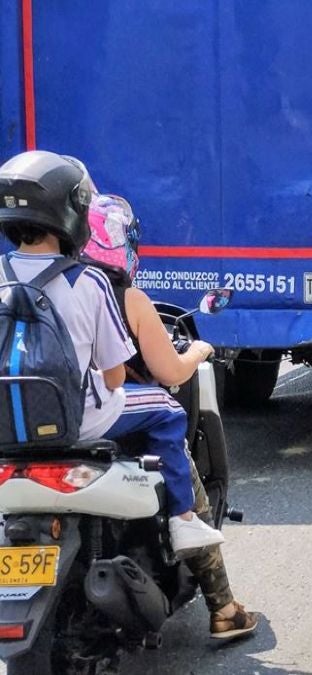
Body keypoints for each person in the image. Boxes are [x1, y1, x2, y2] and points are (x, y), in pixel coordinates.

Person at [0, 151, 223, 556]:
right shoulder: (88, 282)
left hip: (6, 427)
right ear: (70, 214)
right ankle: (184, 520)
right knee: (166, 409)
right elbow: (115, 378)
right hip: (77, 421)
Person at [82, 193, 259, 640]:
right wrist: (200, 349)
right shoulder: (127, 299)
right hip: (116, 418)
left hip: (61, 423)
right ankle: (223, 608)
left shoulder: (57, 288)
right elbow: (170, 372)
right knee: (183, 474)